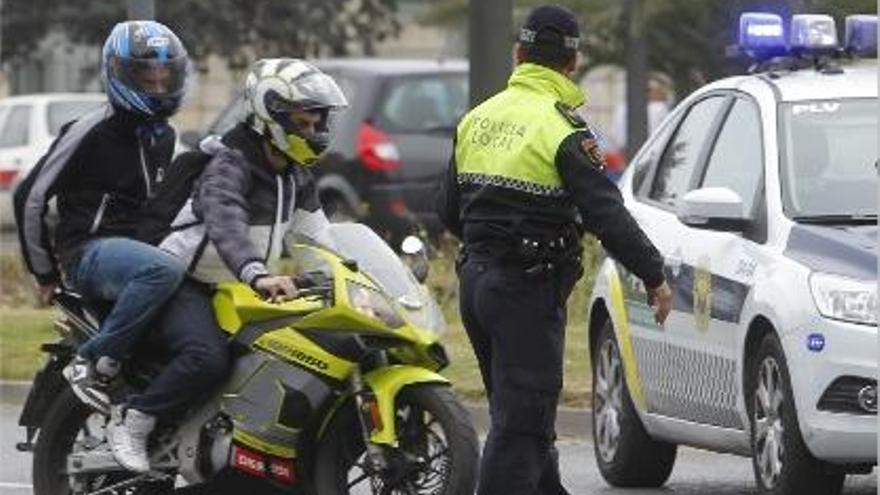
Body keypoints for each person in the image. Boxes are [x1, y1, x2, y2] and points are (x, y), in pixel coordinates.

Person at [436, 5, 673, 495]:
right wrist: (653, 275)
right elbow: (606, 215)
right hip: (526, 289)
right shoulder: (563, 129)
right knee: (520, 426)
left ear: (519, 54)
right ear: (572, 62)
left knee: (525, 416)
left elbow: (446, 210)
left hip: (476, 285)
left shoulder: (477, 118)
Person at [13, 20, 230, 474]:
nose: (155, 85)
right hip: (90, 253)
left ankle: (168, 431)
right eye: (144, 76)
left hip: (143, 258)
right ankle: (98, 363)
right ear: (118, 73)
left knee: (211, 351)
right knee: (161, 271)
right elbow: (30, 197)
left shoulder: (164, 136)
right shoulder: (91, 128)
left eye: (163, 76)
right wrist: (45, 273)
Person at [159, 57, 348, 312]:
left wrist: (348, 281)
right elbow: (226, 222)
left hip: (243, 288)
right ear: (270, 117)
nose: (313, 133)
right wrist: (256, 273)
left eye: (317, 125)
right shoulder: (229, 166)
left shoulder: (296, 177)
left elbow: (317, 240)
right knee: (202, 352)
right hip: (186, 282)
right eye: (303, 124)